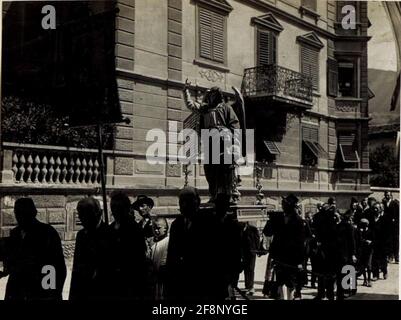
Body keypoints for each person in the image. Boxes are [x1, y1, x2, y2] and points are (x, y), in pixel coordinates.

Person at [183, 82, 241, 203]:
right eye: (210, 95)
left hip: (224, 141)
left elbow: (235, 125)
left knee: (227, 169)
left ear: (218, 95)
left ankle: (229, 194)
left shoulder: (226, 108)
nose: (211, 97)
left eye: (213, 94)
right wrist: (186, 91)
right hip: (210, 141)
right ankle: (214, 194)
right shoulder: (205, 108)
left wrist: (233, 141)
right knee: (210, 169)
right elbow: (191, 105)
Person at [1, 198, 66, 300]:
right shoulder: (15, 233)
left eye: (23, 213)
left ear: (32, 213)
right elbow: (12, 261)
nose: (19, 217)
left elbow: (55, 267)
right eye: (17, 213)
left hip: (38, 292)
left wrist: (51, 294)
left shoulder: (47, 233)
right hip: (16, 292)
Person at [69, 197, 113, 300]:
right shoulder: (81, 235)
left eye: (86, 215)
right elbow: (76, 270)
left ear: (98, 214)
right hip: (82, 292)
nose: (82, 219)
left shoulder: (109, 234)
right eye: (80, 215)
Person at [108, 191, 147, 300]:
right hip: (112, 283)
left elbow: (139, 259)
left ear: (125, 209)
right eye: (113, 207)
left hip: (129, 283)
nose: (115, 210)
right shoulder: (110, 229)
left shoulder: (134, 229)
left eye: (118, 207)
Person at [268, 194, 306, 300]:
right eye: (283, 204)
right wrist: (270, 220)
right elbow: (268, 233)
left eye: (285, 204)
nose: (283, 206)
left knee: (290, 283)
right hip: (279, 257)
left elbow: (300, 243)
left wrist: (300, 261)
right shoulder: (278, 218)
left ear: (291, 206)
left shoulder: (298, 221)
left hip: (292, 258)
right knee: (280, 281)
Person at [312, 203, 340, 300]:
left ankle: (324, 294)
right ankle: (326, 294)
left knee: (324, 274)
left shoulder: (322, 219)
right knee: (326, 274)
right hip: (327, 250)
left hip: (326, 250)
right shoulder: (331, 220)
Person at [335, 211, 357, 300]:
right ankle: (343, 292)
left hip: (343, 254)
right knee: (343, 273)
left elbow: (352, 241)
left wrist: (353, 254)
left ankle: (344, 291)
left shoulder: (344, 226)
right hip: (341, 254)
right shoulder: (343, 226)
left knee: (344, 273)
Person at [149, 217, 170, 300]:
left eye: (158, 228)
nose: (156, 231)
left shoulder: (168, 241)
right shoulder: (152, 242)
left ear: (165, 228)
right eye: (154, 228)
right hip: (154, 277)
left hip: (163, 276)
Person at [240, 221, 260, 296]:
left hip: (251, 252)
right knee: (246, 269)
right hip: (244, 253)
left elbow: (257, 239)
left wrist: (257, 250)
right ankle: (247, 286)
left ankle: (251, 286)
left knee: (251, 269)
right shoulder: (240, 229)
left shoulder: (253, 229)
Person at [371, 203, 389, 281]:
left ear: (380, 209)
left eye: (377, 208)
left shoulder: (384, 219)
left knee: (383, 258)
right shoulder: (371, 219)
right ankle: (375, 275)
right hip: (374, 242)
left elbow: (387, 232)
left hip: (382, 242)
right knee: (374, 259)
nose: (375, 210)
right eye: (374, 208)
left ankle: (385, 272)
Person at [356, 218, 374, 287]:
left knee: (369, 266)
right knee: (363, 266)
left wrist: (370, 242)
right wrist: (365, 241)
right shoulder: (359, 232)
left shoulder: (371, 231)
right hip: (362, 250)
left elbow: (374, 240)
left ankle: (369, 280)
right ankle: (365, 280)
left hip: (369, 251)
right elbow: (359, 240)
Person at [382, 192, 399, 263]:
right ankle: (390, 256)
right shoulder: (383, 203)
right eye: (386, 195)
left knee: (395, 241)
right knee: (388, 241)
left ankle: (396, 256)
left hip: (394, 226)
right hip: (387, 225)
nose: (387, 196)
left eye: (388, 195)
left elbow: (398, 213)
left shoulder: (395, 203)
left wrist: (395, 220)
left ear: (391, 196)